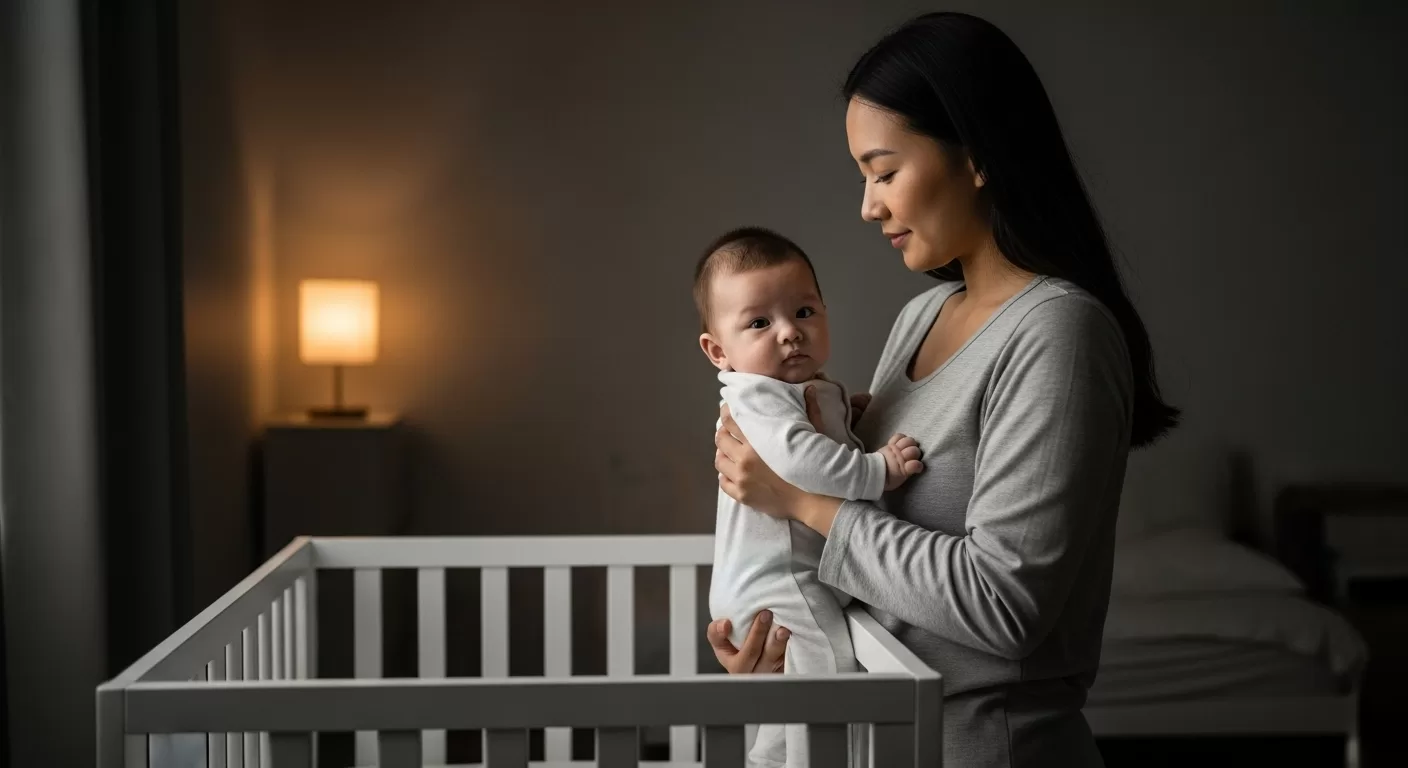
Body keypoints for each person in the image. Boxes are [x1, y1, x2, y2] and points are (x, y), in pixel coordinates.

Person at [706, 11, 1179, 768]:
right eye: (864, 177)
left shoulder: (1058, 333)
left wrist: (801, 502)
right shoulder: (922, 314)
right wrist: (786, 661)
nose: (868, 206)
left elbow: (1004, 606)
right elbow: (877, 569)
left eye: (885, 171)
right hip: (877, 737)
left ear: (977, 155)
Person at [694, 226, 924, 768]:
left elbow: (812, 441)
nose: (788, 333)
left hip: (774, 580)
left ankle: (774, 758)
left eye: (803, 313)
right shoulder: (758, 398)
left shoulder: (792, 392)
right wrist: (876, 470)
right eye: (758, 323)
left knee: (799, 693)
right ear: (717, 351)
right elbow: (801, 461)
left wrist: (852, 418)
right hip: (779, 583)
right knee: (826, 674)